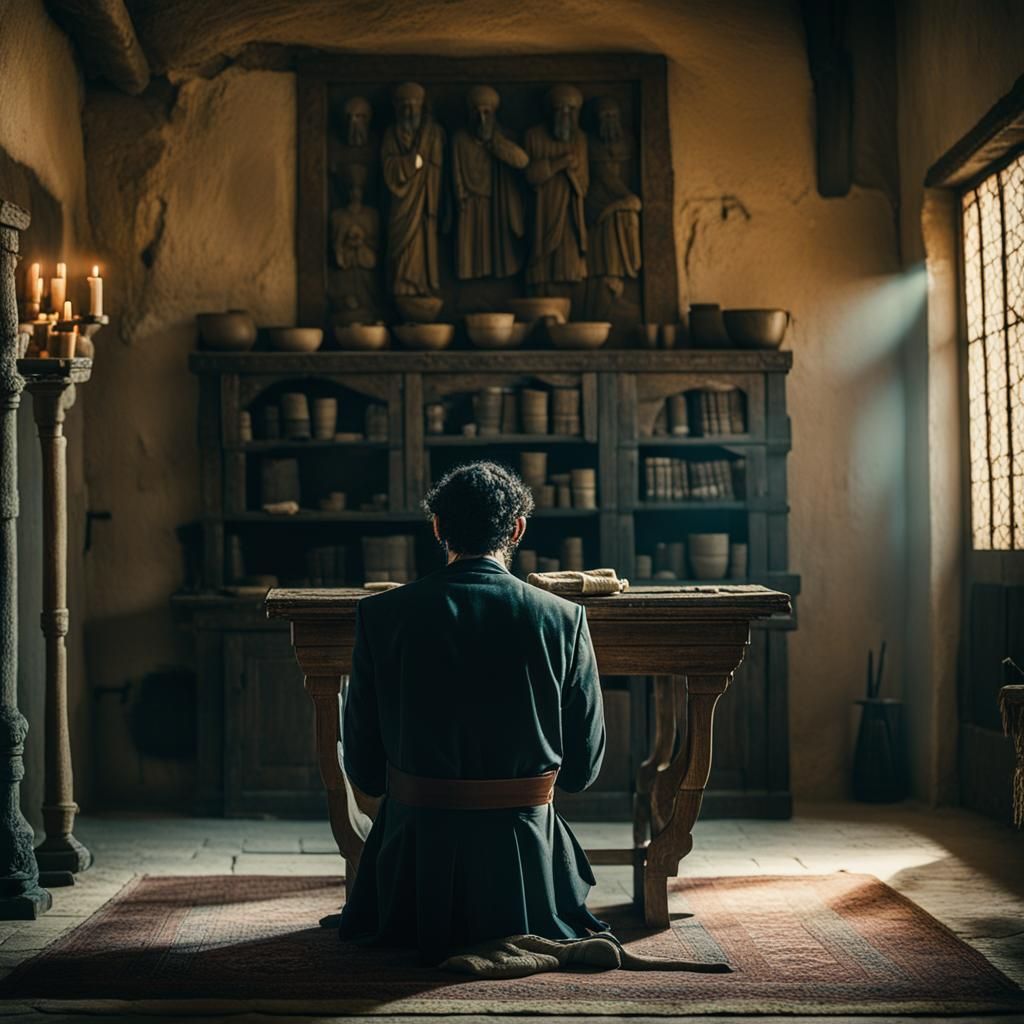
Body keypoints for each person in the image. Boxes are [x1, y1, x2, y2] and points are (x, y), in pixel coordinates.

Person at [339, 461, 607, 965]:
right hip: (527, 871)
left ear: (437, 527)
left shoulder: (381, 615)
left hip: (415, 861)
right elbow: (583, 770)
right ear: (518, 529)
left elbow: (365, 768)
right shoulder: (565, 618)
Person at [380, 81, 445, 297]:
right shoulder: (391, 135)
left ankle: (421, 285)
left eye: (414, 107)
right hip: (402, 203)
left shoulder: (433, 134)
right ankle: (402, 284)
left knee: (424, 242)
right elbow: (389, 167)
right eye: (405, 107)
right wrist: (411, 163)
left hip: (426, 202)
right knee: (404, 244)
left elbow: (437, 168)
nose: (409, 112)